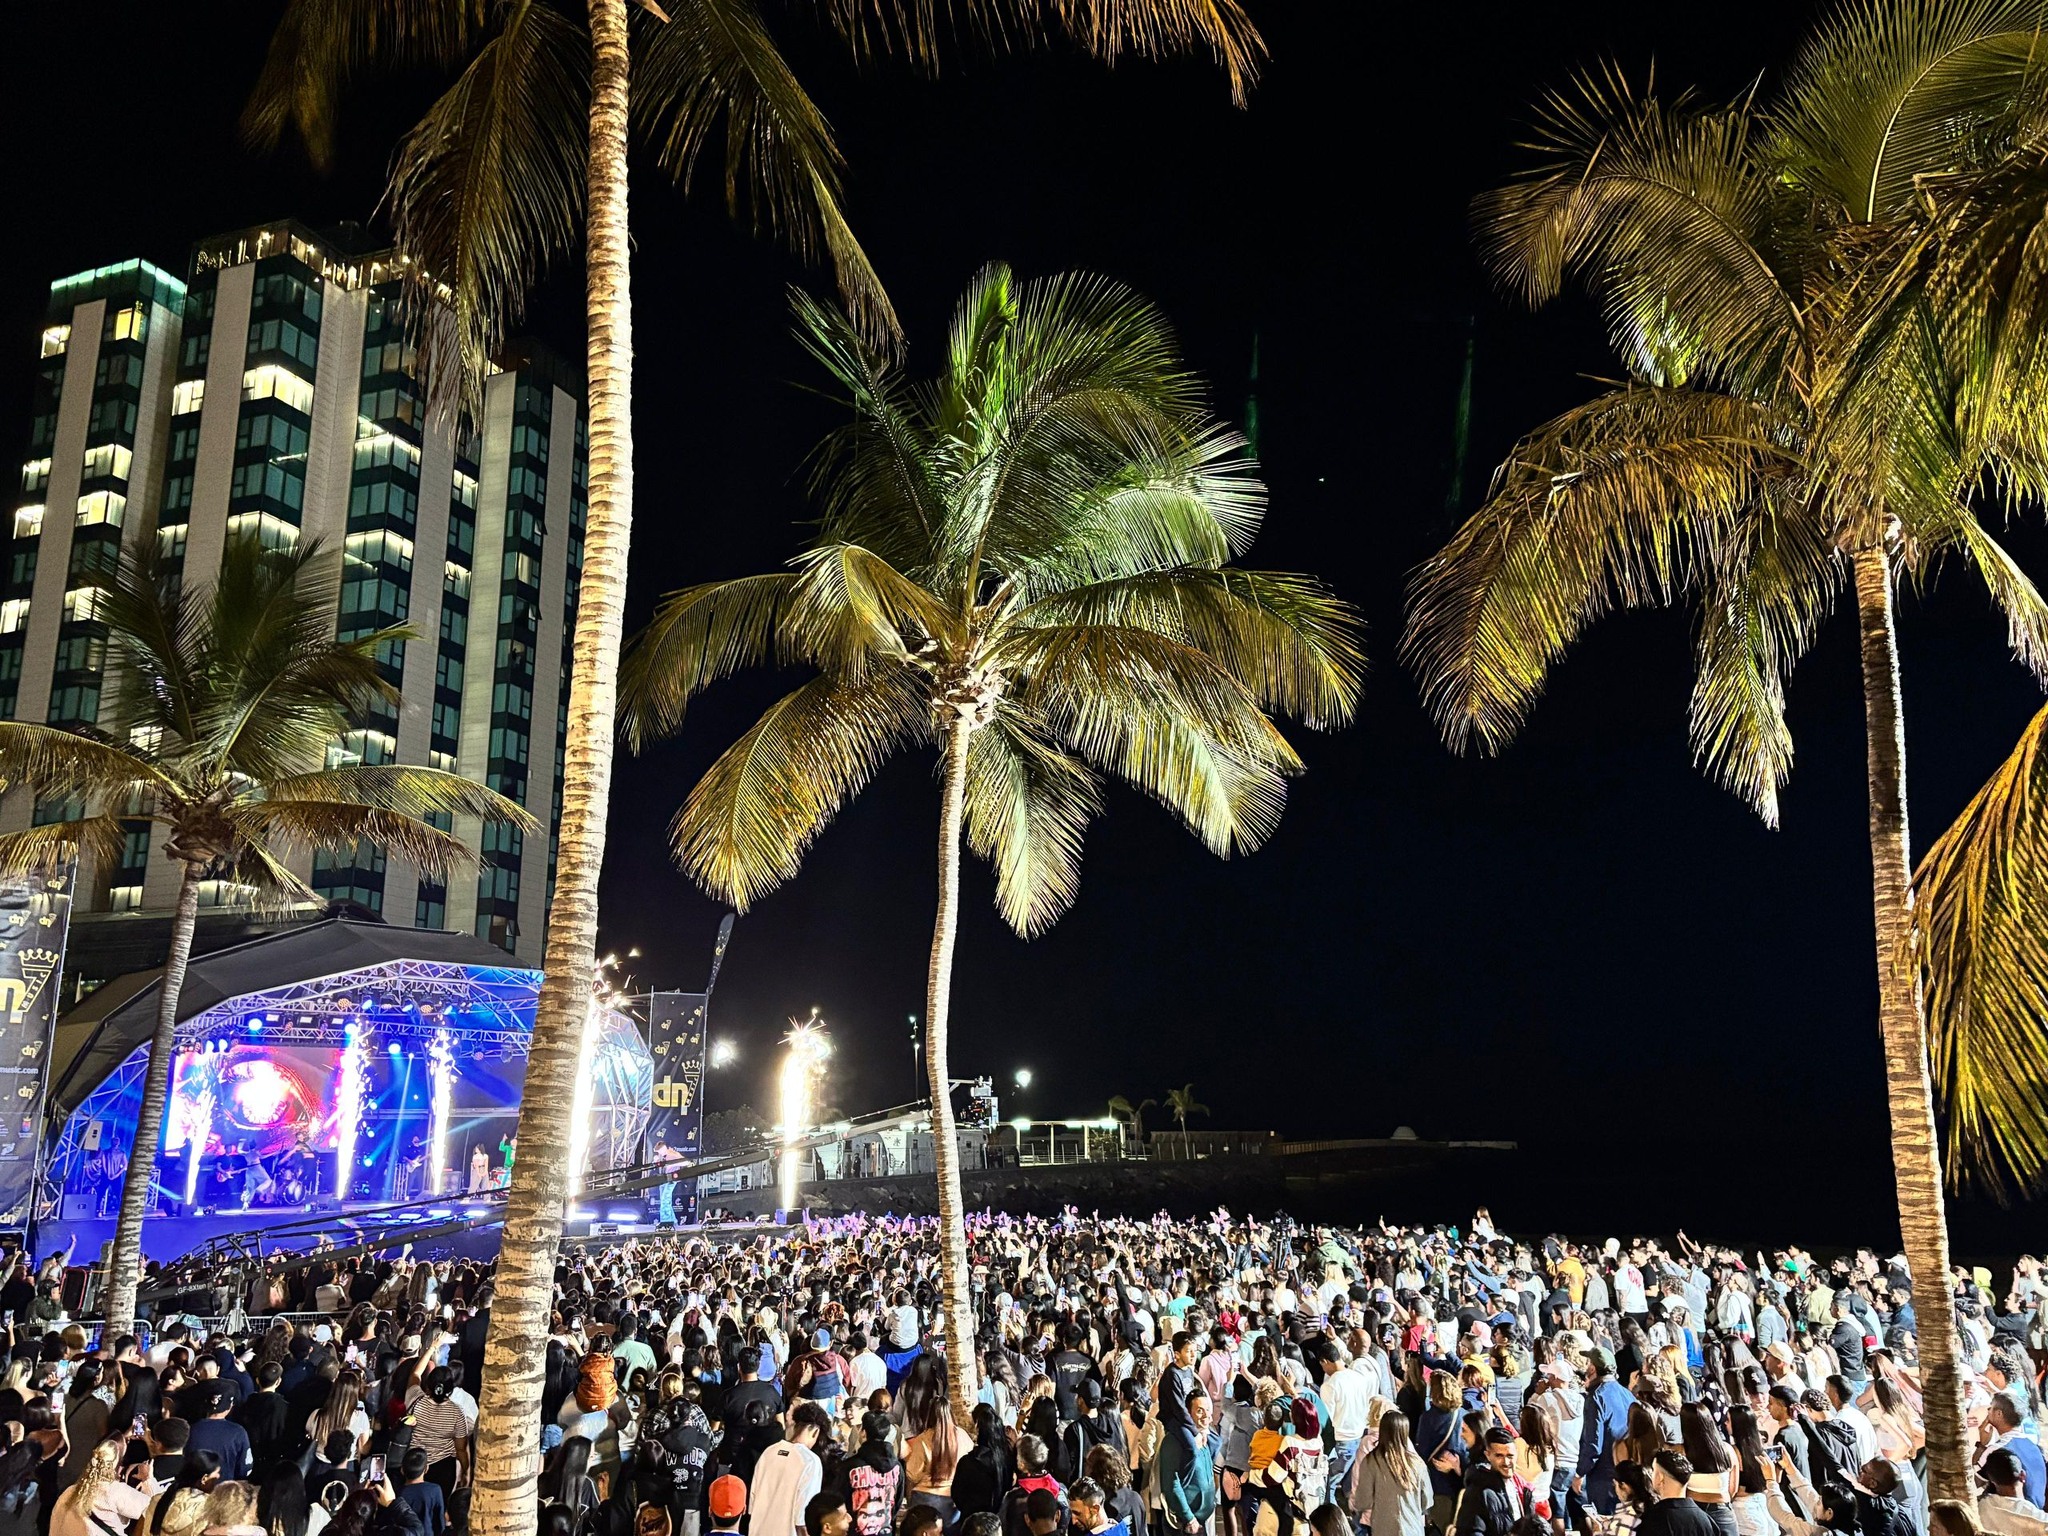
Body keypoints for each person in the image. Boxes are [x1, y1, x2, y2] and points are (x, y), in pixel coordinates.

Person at [752, 1403, 831, 1536]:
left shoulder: (769, 1452)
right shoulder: (810, 1461)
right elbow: (803, 1519)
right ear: (816, 1431)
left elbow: (753, 1503)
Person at [1349, 1409, 1429, 1536]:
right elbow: (1427, 1500)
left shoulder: (1371, 1461)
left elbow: (1363, 1500)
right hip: (1413, 1528)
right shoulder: (1417, 1463)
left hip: (1383, 1528)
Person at [52, 1440, 156, 1536]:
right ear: (116, 1463)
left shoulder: (69, 1492)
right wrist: (148, 1480)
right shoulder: (115, 1491)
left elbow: (55, 1525)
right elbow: (157, 1507)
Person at [1453, 1429, 1519, 1536]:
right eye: (1499, 1456)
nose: (1506, 1462)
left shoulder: (1522, 1488)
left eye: (1510, 1456)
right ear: (1488, 1455)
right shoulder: (1477, 1492)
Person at [1638, 1453, 1715, 1536]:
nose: (1651, 1475)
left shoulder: (1652, 1520)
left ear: (1660, 1478)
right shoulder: (1706, 1521)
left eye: (1653, 1470)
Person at [395, 1449, 445, 1536]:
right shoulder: (435, 1490)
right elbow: (440, 1521)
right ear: (426, 1469)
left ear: (402, 1470)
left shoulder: (397, 1493)